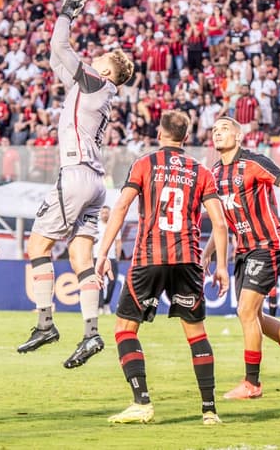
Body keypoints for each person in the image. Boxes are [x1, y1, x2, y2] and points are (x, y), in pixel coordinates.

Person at [18, 0, 135, 369]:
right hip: (96, 182)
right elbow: (57, 57)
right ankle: (90, 333)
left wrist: (68, 10)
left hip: (76, 174)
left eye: (99, 57)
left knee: (36, 248)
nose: (94, 57)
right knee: (79, 256)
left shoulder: (97, 82)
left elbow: (62, 47)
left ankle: (45, 324)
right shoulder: (96, 91)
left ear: (104, 69)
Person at [94, 110, 229, 425]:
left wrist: (102, 253)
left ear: (160, 133)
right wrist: (221, 265)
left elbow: (122, 206)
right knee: (196, 334)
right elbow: (220, 224)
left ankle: (141, 402)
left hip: (149, 257)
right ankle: (209, 410)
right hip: (189, 259)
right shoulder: (201, 171)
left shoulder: (144, 164)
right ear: (186, 136)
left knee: (125, 329)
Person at [204, 117, 280, 399]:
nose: (218, 133)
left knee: (246, 312)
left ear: (238, 135)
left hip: (267, 244)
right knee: (254, 315)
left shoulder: (254, 162)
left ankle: (252, 384)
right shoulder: (214, 173)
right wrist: (208, 252)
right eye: (215, 130)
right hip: (243, 251)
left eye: (224, 129)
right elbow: (221, 219)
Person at [94, 205, 122, 314]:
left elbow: (118, 242)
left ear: (110, 214)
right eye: (103, 212)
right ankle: (100, 306)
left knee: (112, 281)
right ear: (100, 214)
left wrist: (118, 256)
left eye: (107, 212)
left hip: (111, 257)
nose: (105, 214)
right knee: (99, 281)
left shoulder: (114, 225)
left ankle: (107, 303)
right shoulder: (95, 226)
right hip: (98, 257)